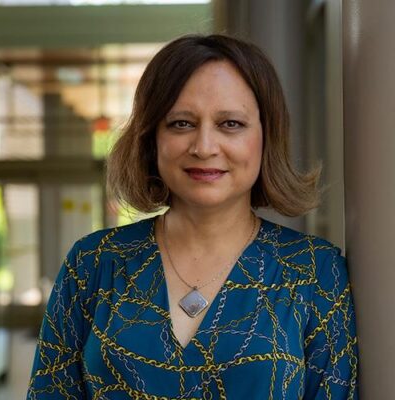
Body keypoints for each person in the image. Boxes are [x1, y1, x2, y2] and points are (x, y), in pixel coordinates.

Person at [27, 34, 358, 399]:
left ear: (267, 135)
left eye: (230, 123)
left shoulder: (314, 272)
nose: (204, 147)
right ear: (151, 139)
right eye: (181, 124)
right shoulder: (93, 264)